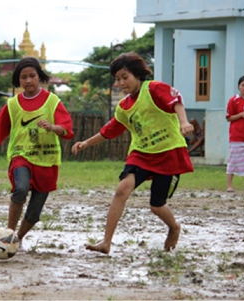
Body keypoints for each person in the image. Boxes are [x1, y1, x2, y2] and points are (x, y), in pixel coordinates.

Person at [72, 52, 194, 254]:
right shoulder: (124, 106)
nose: (120, 82)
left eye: (124, 77)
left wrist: (184, 122)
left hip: (169, 152)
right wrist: (86, 142)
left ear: (137, 75)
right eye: (117, 79)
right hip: (141, 154)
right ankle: (106, 242)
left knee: (156, 206)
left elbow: (176, 101)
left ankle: (174, 227)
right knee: (122, 189)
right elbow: (110, 129)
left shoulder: (154, 88)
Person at [0, 57, 73, 248]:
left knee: (34, 212)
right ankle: (8, 235)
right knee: (20, 189)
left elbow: (67, 129)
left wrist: (53, 127)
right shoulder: (12, 104)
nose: (28, 81)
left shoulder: (52, 101)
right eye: (23, 77)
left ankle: (17, 239)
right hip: (21, 156)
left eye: (32, 76)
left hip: (46, 160)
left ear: (39, 77)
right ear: (18, 80)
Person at [225, 75, 244, 193]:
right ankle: (229, 185)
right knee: (233, 161)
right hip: (236, 136)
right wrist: (241, 115)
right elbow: (229, 118)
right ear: (238, 86)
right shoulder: (233, 100)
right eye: (242, 85)